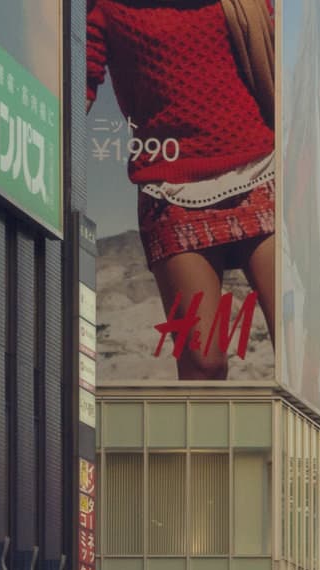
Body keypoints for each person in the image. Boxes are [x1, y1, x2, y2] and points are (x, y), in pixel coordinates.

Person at [86, 0, 279, 381]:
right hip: (170, 190)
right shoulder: (105, 6)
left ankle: (306, 441)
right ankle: (209, 441)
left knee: (300, 343)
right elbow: (79, 80)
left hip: (261, 172)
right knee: (202, 361)